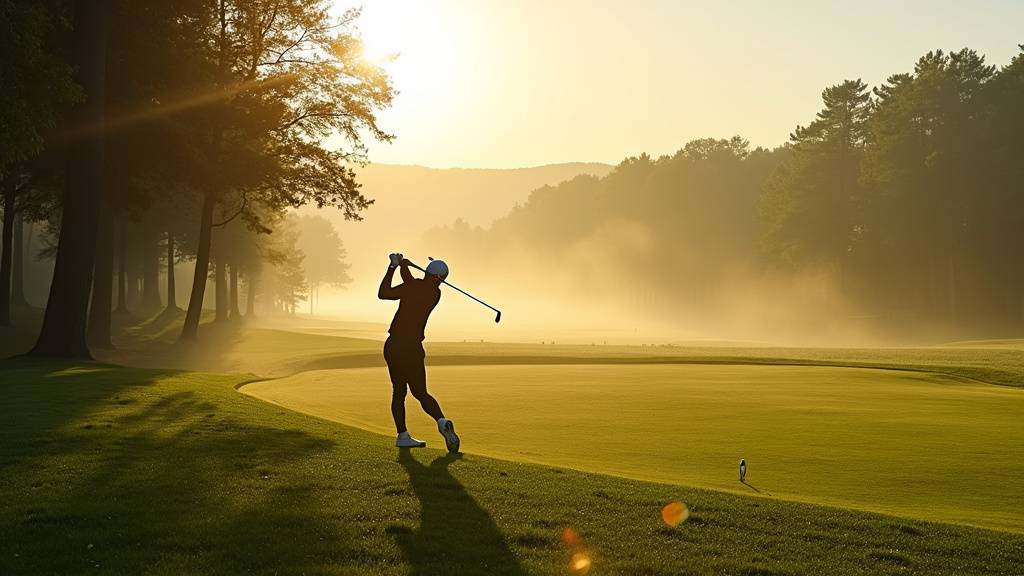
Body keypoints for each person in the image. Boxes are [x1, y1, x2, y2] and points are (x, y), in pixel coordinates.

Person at [378, 252, 460, 452]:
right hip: (414, 348)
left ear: (428, 273)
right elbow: (413, 282)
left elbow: (384, 293)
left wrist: (394, 266)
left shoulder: (412, 287)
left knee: (399, 393)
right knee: (421, 392)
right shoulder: (435, 294)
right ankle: (441, 421)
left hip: (395, 345)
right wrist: (404, 266)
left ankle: (403, 435)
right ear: (441, 280)